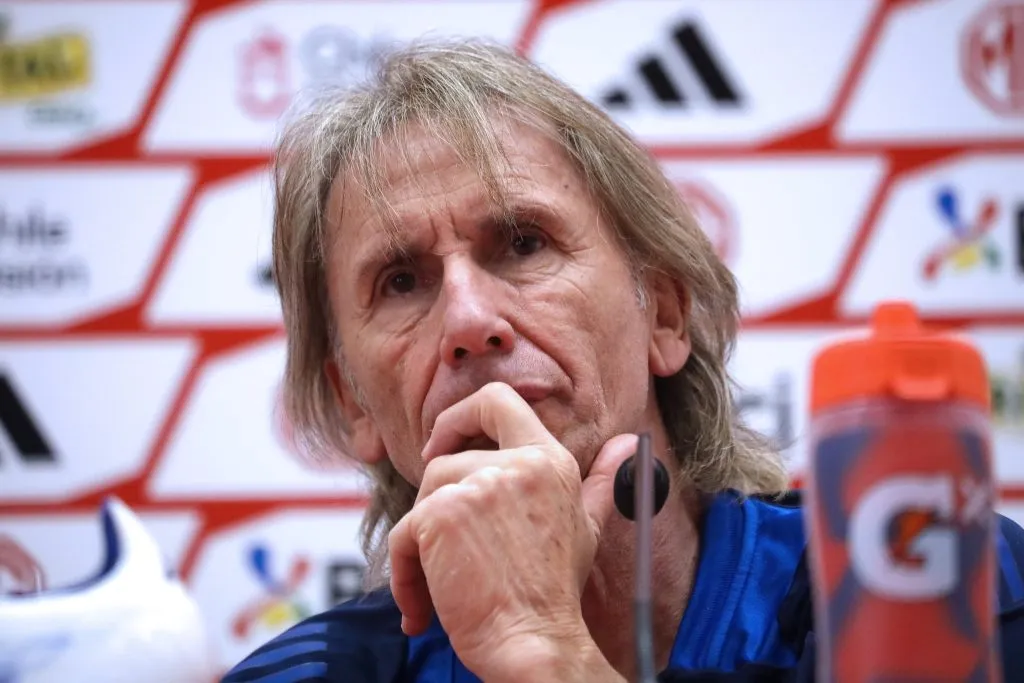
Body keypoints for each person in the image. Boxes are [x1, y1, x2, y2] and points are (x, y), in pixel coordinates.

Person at [221, 40, 1024, 683]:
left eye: (523, 243)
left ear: (664, 313)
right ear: (354, 402)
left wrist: (544, 649)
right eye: (401, 281)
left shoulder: (937, 583)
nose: (466, 320)